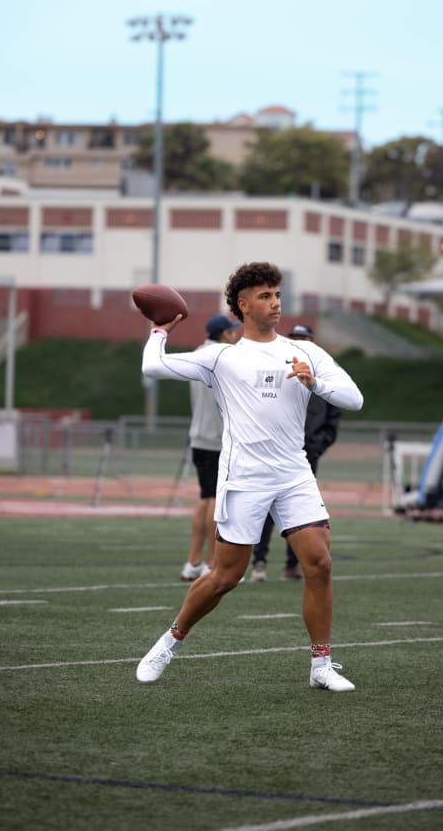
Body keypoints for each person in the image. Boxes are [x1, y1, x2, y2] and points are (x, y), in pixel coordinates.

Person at [136, 261, 364, 691]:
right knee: (227, 576)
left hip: (294, 473)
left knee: (319, 563)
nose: (275, 303)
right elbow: (153, 367)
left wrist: (314, 382)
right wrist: (159, 328)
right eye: (265, 296)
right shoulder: (221, 356)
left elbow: (354, 399)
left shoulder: (306, 351)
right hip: (244, 477)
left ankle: (321, 665)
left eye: (277, 295)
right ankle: (171, 639)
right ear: (242, 305)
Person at [250, 324, 341, 582]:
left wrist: (318, 443)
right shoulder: (275, 370)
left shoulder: (324, 374)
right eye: (296, 338)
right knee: (268, 507)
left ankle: (292, 564)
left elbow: (334, 414)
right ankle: (260, 561)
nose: (300, 343)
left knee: (300, 512)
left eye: (305, 339)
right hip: (274, 453)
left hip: (306, 454)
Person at [180, 313, 242, 582]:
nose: (236, 335)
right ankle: (211, 563)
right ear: (224, 334)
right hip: (219, 439)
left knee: (205, 498)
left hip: (199, 437)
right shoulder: (224, 357)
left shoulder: (196, 353)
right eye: (232, 331)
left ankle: (192, 562)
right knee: (217, 501)